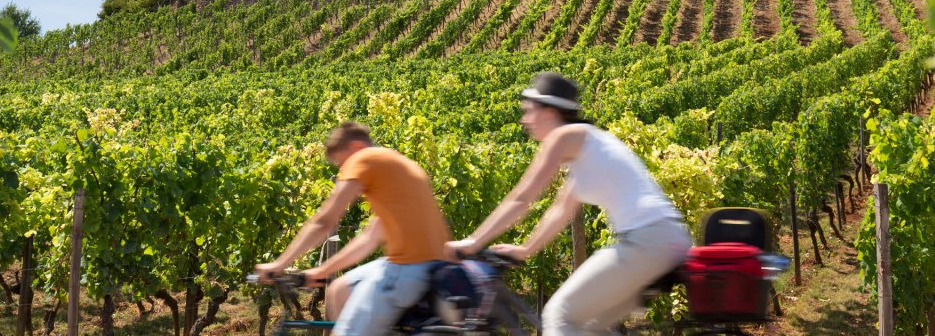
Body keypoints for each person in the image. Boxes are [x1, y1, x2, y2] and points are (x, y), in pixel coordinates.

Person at [446, 72, 692, 335]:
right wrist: (525, 250)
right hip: (667, 239)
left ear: (550, 111)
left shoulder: (564, 136)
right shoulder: (588, 147)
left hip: (646, 241)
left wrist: (472, 242)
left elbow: (522, 198)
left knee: (559, 314)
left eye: (529, 111)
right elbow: (560, 211)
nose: (524, 120)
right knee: (590, 327)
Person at [255, 122, 452, 335]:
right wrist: (322, 271)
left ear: (356, 147)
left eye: (342, 163)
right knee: (339, 290)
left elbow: (325, 221)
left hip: (406, 269)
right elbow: (369, 238)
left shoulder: (364, 158)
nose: (343, 171)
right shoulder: (395, 165)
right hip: (429, 267)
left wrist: (279, 264)